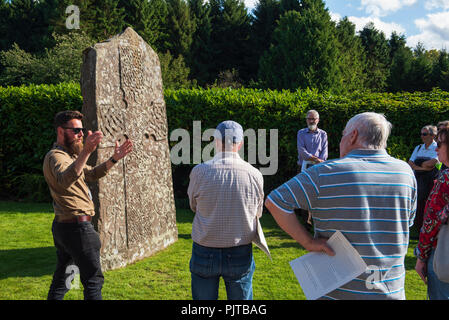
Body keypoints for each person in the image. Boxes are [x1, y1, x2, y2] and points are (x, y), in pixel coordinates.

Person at [265, 112, 417, 300]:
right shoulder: (406, 173)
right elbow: (406, 223)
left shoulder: (325, 173)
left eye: (344, 134)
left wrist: (308, 242)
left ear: (352, 136)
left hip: (338, 291)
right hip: (392, 290)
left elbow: (276, 201)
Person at [44, 110, 133, 300]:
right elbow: (64, 180)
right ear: (61, 131)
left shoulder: (67, 157)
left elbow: (91, 174)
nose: (81, 135)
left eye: (82, 130)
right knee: (93, 282)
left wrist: (114, 159)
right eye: (76, 131)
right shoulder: (55, 157)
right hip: (77, 229)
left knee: (63, 280)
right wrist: (86, 151)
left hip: (67, 228)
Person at [187, 120, 264, 300]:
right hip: (239, 250)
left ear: (216, 141)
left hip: (205, 248)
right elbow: (257, 213)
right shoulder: (255, 175)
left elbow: (193, 206)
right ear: (241, 143)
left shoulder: (200, 172)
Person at [415, 127, 449, 300]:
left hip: (443, 252)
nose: (436, 149)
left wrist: (421, 256)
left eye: (440, 144)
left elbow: (431, 222)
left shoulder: (445, 179)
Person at [408, 125, 439, 231]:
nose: (422, 136)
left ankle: (426, 226)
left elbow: (432, 164)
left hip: (429, 180)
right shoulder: (419, 147)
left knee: (427, 202)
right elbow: (411, 163)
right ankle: (416, 224)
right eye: (421, 134)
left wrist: (420, 166)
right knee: (417, 201)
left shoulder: (437, 148)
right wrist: (423, 167)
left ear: (433, 135)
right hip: (418, 178)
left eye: (424, 134)